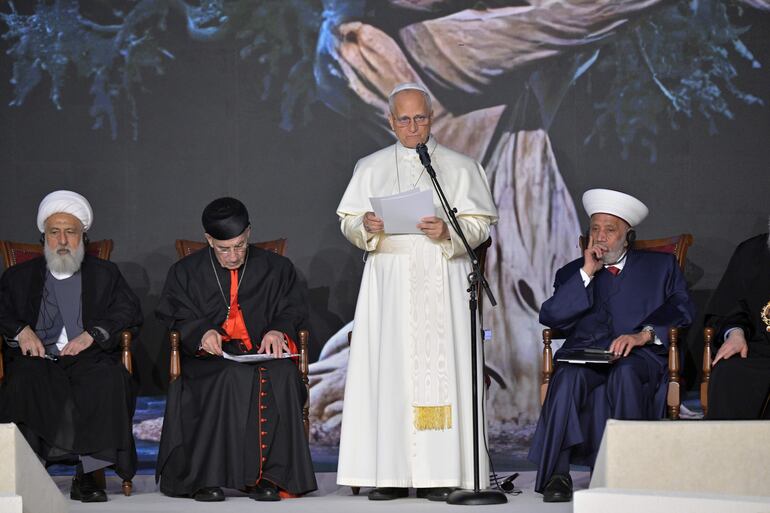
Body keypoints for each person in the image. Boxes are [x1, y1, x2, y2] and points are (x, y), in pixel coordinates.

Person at [335, 82, 498, 501]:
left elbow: (480, 225)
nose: (412, 127)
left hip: (442, 276)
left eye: (420, 118)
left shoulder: (461, 167)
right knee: (389, 372)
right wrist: (365, 227)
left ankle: (442, 472)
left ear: (432, 118)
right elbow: (349, 222)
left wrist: (449, 230)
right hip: (389, 281)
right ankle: (389, 473)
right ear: (391, 122)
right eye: (403, 119)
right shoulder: (369, 165)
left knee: (442, 375)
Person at [527, 188, 695, 502]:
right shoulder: (572, 273)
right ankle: (557, 476)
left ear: (627, 236)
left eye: (610, 229)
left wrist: (642, 335)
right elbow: (552, 318)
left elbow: (682, 309)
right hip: (588, 357)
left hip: (640, 356)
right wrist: (587, 274)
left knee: (625, 373)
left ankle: (627, 472)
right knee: (566, 377)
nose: (601, 237)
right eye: (595, 229)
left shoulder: (661, 267)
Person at [155, 197, 317, 502]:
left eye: (240, 246)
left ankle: (269, 477)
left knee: (282, 374)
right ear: (208, 240)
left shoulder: (277, 267)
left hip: (260, 351)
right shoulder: (185, 272)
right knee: (228, 375)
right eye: (224, 249)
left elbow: (294, 308)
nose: (233, 255)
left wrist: (277, 329)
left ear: (249, 233)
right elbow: (173, 314)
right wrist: (201, 332)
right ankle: (206, 478)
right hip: (212, 358)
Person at [0, 190, 142, 503]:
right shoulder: (18, 277)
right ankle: (28, 469)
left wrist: (92, 334)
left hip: (87, 357)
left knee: (108, 380)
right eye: (55, 232)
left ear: (83, 237)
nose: (63, 240)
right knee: (25, 380)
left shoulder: (105, 274)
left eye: (71, 232)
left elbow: (128, 311)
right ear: (44, 238)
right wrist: (21, 330)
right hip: (37, 358)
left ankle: (89, 474)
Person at [705, 222, 770, 419]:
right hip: (758, 349)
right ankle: (729, 448)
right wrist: (735, 333)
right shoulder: (750, 252)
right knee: (728, 372)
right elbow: (730, 305)